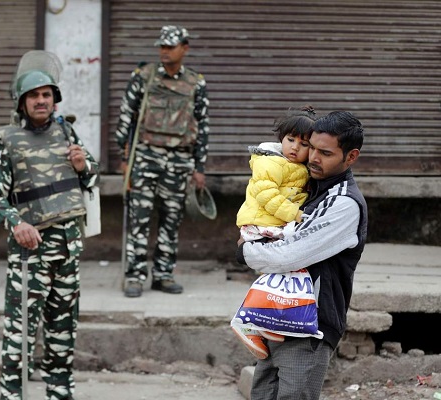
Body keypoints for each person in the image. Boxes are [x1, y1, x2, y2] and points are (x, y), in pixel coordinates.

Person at [0, 67, 99, 400]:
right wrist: (17, 223)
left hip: (69, 248)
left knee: (63, 331)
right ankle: (12, 395)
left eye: (46, 94)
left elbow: (92, 179)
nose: (41, 100)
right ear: (22, 102)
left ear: (54, 100)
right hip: (30, 252)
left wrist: (83, 167)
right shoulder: (3, 141)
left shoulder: (67, 132)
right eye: (33, 95)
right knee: (20, 335)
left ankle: (60, 393)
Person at [236, 111, 368, 400]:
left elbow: (289, 255)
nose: (313, 158)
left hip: (310, 327)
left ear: (351, 156)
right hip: (276, 315)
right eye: (311, 148)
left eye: (325, 153)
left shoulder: (344, 204)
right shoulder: (305, 187)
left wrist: (246, 250)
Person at [115, 25, 210, 298]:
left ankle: (163, 275)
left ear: (185, 48)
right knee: (138, 219)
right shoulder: (143, 77)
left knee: (171, 220)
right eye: (161, 46)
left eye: (170, 46)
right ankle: (134, 276)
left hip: (179, 162)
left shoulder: (196, 83)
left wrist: (199, 168)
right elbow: (126, 119)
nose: (164, 51)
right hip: (144, 157)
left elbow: (202, 126)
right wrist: (125, 160)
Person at [232, 106, 316, 359]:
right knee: (283, 267)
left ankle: (263, 320)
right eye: (291, 140)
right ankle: (247, 322)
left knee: (278, 275)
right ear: (281, 138)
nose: (295, 148)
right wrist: (295, 214)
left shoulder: (297, 167)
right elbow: (267, 195)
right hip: (262, 224)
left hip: (272, 224)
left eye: (303, 144)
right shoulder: (271, 162)